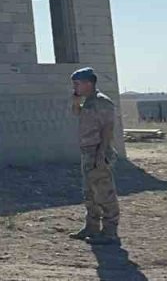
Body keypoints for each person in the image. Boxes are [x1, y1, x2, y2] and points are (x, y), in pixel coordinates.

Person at [69, 67, 121, 246]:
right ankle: (91, 227)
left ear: (88, 83)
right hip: (88, 152)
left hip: (99, 151)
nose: (74, 87)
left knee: (104, 193)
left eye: (77, 84)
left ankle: (110, 231)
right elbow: (77, 114)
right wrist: (76, 102)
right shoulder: (88, 102)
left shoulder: (102, 102)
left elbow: (108, 129)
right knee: (89, 192)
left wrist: (101, 154)